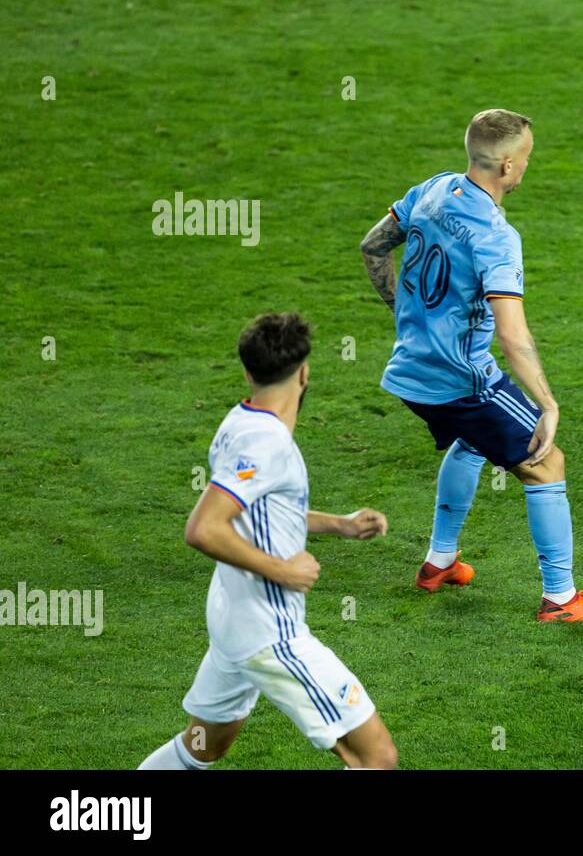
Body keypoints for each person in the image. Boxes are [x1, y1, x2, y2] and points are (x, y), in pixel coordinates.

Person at [359, 108, 583, 622]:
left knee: (471, 441)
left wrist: (407, 314)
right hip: (461, 379)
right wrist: (547, 402)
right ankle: (561, 599)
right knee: (547, 462)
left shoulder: (432, 190)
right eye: (525, 159)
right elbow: (512, 333)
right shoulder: (497, 236)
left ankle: (439, 563)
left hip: (411, 372)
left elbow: (373, 246)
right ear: (506, 166)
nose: (526, 167)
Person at [140, 312, 398, 769]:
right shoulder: (267, 442)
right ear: (304, 373)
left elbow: (260, 513)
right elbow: (203, 528)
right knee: (375, 756)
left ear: (247, 372)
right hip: (269, 631)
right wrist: (283, 569)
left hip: (231, 618)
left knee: (203, 745)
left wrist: (340, 524)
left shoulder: (239, 422)